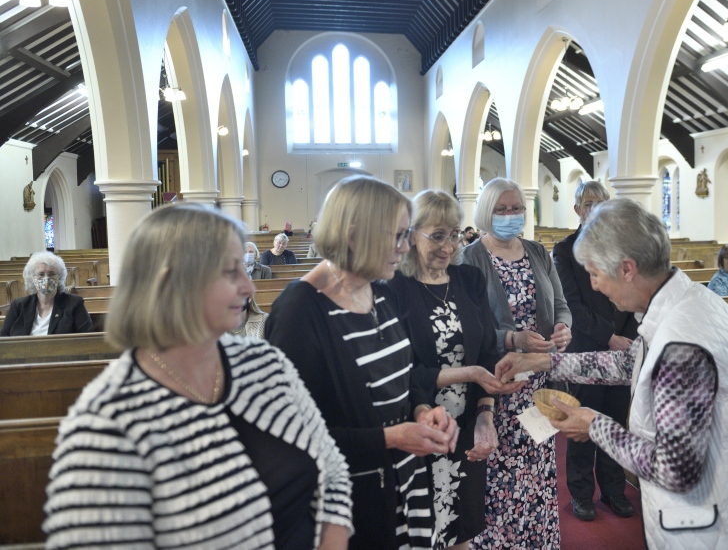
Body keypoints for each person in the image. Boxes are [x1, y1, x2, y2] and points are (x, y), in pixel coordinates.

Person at [495, 198, 728, 549]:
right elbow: (629, 363)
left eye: (595, 274)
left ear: (627, 269)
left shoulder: (682, 342)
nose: (593, 285)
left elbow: (674, 469)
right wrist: (543, 363)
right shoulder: (692, 301)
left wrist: (594, 426)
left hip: (721, 524)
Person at [42, 204, 353, 549]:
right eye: (230, 272)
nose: (249, 286)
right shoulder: (106, 423)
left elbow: (333, 471)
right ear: (171, 283)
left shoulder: (265, 363)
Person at [264, 175, 459, 550]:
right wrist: (390, 438)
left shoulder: (382, 292)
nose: (405, 247)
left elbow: (404, 374)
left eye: (407, 234)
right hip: (346, 502)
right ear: (353, 235)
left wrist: (422, 410)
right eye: (397, 235)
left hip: (403, 480)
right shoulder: (300, 310)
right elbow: (291, 434)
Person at [391, 190, 522, 550]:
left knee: (462, 532)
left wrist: (485, 415)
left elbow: (488, 351)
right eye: (437, 236)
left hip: (464, 431)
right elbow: (400, 371)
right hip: (419, 426)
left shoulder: (468, 279)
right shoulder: (394, 287)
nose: (448, 247)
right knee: (420, 535)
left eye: (453, 234)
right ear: (411, 235)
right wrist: (468, 374)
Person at [461, 177, 572, 550]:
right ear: (486, 211)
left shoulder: (538, 252)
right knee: (501, 478)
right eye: (501, 209)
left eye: (516, 209)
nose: (510, 215)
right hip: (497, 385)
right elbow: (468, 329)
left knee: (538, 468)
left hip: (537, 383)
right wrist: (513, 339)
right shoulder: (471, 258)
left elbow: (561, 305)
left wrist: (563, 328)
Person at [553, 181, 636, 522]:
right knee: (582, 424)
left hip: (622, 351)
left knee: (614, 423)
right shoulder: (565, 250)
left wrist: (626, 339)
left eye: (601, 203)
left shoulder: (622, 246)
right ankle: (582, 493)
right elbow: (572, 304)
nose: (594, 209)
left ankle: (614, 490)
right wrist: (609, 337)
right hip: (585, 349)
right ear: (577, 209)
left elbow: (632, 296)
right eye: (588, 203)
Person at [0, 252, 92, 336]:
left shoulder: (74, 303)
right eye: (41, 274)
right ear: (33, 278)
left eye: (51, 274)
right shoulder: (18, 305)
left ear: (59, 277)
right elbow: (3, 338)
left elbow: (87, 338)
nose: (46, 279)